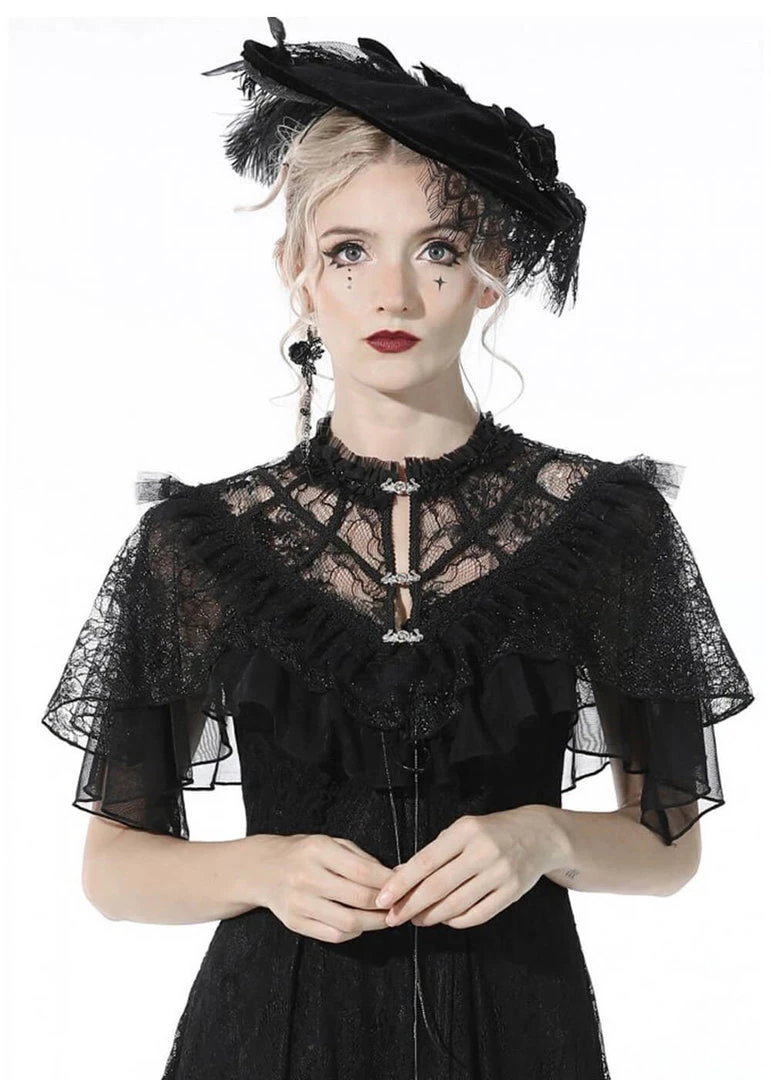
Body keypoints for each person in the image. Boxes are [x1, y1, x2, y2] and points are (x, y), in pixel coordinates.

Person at [40, 17, 755, 1080]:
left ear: (492, 270)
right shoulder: (198, 545)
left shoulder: (605, 527)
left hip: (520, 1033)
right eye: (348, 251)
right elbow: (113, 869)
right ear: (296, 272)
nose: (392, 295)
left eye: (437, 250)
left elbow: (669, 846)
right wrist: (264, 867)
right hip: (267, 1037)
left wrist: (543, 836)